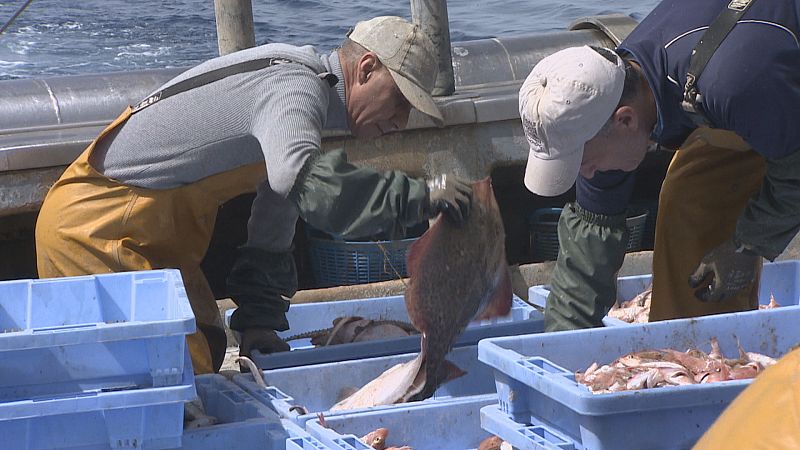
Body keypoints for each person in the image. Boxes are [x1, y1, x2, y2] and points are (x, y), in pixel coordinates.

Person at [35, 16, 473, 374]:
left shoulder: (303, 119)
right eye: (399, 101)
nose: (401, 120)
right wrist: (421, 194)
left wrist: (260, 321)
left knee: (206, 342)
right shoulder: (295, 88)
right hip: (93, 229)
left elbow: (277, 211)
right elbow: (305, 180)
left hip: (147, 236)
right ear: (366, 69)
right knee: (176, 374)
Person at [518, 0, 800, 331]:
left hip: (769, 88)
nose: (588, 175)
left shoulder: (732, 84)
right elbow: (589, 246)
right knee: (688, 198)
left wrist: (748, 243)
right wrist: (560, 348)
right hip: (769, 104)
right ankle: (702, 358)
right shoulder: (612, 92)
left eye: (585, 163)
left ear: (625, 121)